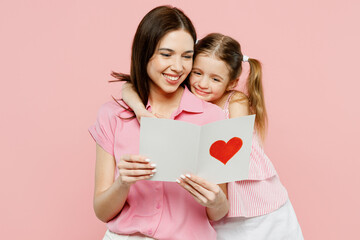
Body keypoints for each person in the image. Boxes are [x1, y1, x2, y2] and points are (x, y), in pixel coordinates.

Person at [122, 33, 304, 239]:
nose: (203, 84)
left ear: (231, 83)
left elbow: (231, 142)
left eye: (215, 79)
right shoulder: (181, 93)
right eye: (197, 73)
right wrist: (141, 111)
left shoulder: (235, 101)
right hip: (218, 210)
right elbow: (128, 86)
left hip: (258, 202)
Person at [89, 6, 229, 240]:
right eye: (166, 54)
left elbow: (219, 213)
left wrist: (217, 201)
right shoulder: (113, 115)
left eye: (187, 56)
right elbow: (102, 211)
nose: (178, 67)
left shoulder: (212, 117)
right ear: (144, 53)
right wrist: (123, 183)